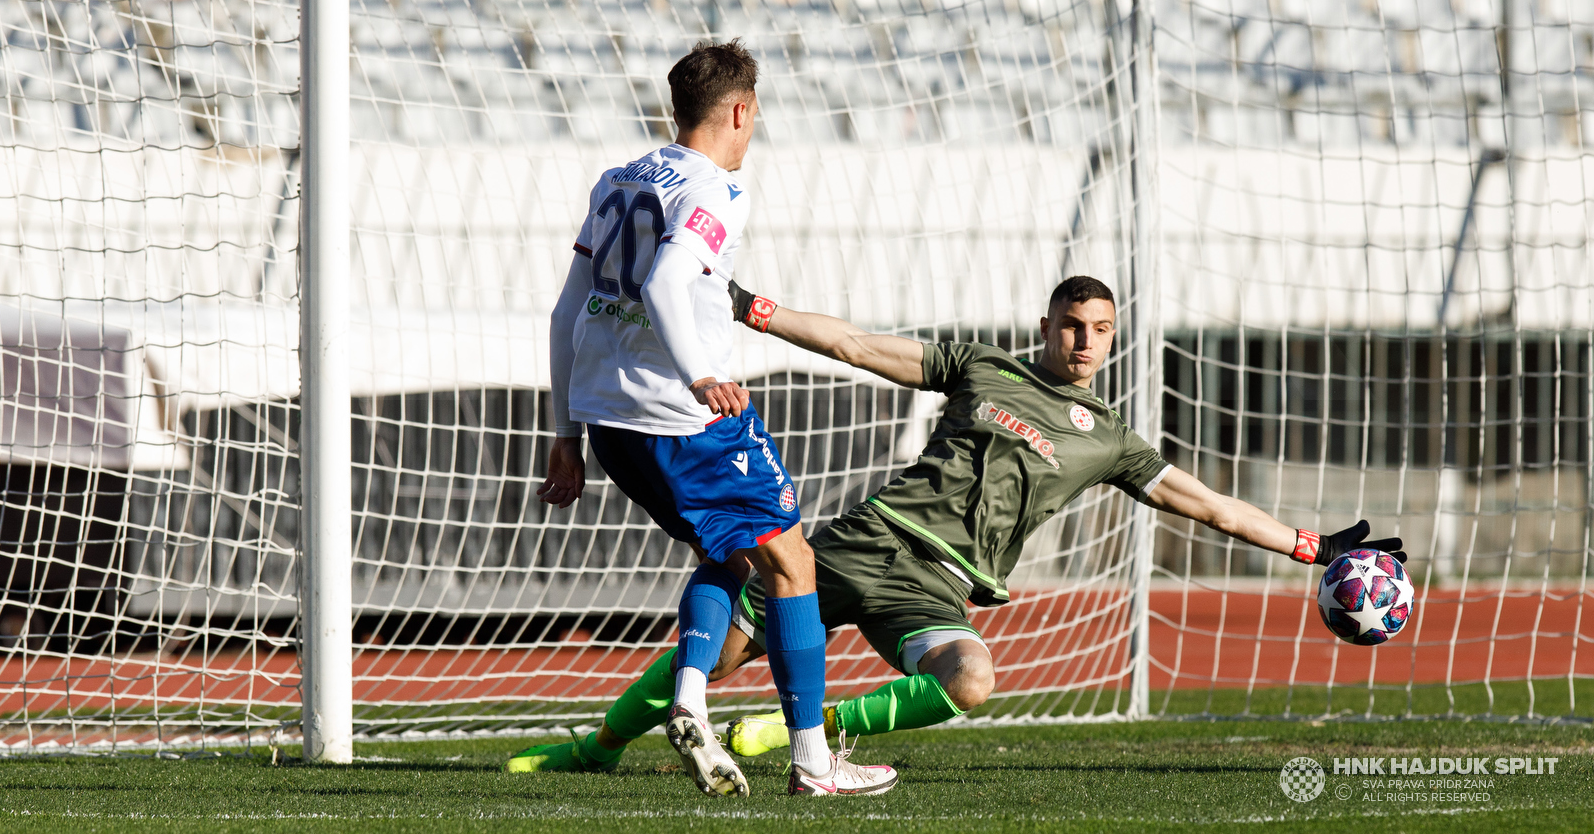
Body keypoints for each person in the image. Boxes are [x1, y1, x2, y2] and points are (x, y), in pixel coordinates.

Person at [506, 274, 1406, 768]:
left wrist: (1311, 546)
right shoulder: (980, 366)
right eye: (1069, 323)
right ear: (1043, 325)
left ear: (1114, 338)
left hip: (940, 587)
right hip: (868, 541)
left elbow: (1204, 502)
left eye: (1099, 328)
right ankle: (597, 746)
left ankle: (795, 729)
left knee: (972, 679)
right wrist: (755, 310)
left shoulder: (1115, 444)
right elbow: (860, 343)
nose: (1082, 339)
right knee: (724, 645)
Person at [515, 39, 896, 798]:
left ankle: (689, 695)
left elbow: (566, 310)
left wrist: (563, 434)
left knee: (725, 558)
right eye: (754, 119)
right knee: (794, 564)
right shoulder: (716, 189)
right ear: (737, 110)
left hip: (607, 418)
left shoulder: (618, 180)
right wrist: (703, 374)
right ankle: (815, 762)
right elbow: (664, 283)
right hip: (683, 413)